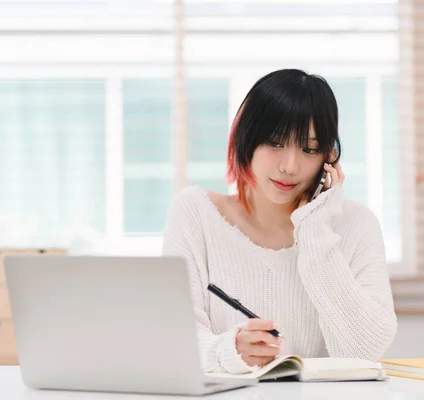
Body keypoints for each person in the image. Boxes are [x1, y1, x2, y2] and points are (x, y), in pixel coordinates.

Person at [162, 69, 397, 374]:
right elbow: (174, 343)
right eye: (275, 143)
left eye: (309, 149)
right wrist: (230, 351)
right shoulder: (195, 214)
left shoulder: (355, 224)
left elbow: (363, 351)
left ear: (328, 156)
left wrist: (315, 230)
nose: (290, 166)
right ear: (246, 140)